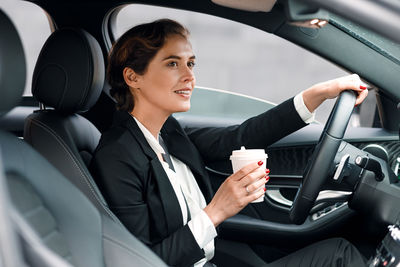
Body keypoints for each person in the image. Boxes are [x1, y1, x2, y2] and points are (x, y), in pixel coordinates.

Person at [90, 19, 368, 267]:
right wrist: (217, 211)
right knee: (339, 257)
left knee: (338, 251)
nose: (189, 76)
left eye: (191, 63)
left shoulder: (167, 131)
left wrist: (317, 94)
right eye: (172, 63)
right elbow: (141, 261)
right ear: (132, 77)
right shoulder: (117, 156)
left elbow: (241, 137)